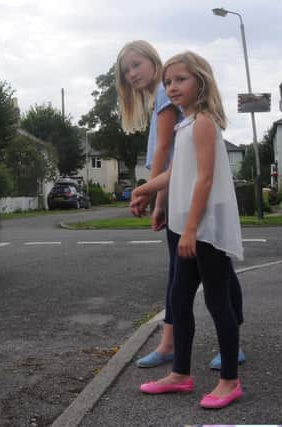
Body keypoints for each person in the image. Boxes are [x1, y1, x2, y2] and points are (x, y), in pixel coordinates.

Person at [116, 40, 245, 370]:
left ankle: (224, 365)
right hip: (184, 206)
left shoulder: (194, 117)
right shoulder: (186, 120)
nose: (171, 87)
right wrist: (146, 191)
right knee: (188, 289)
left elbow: (188, 170)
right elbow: (175, 167)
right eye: (126, 69)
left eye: (136, 65)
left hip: (195, 212)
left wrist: (165, 208)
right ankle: (182, 366)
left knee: (214, 291)